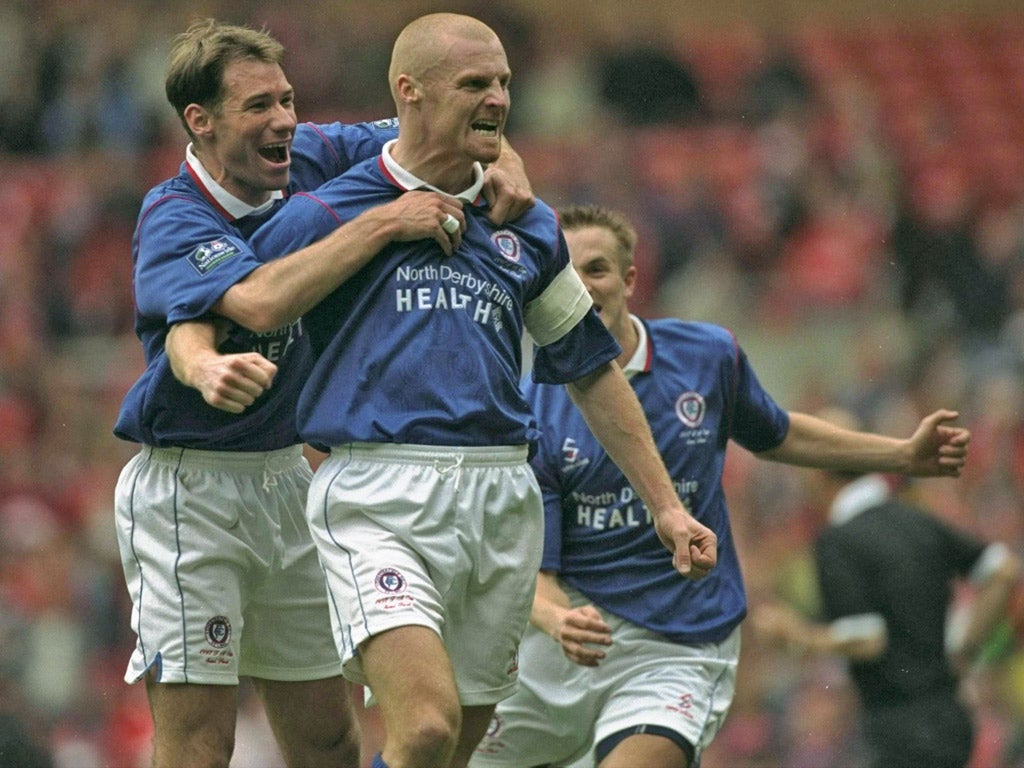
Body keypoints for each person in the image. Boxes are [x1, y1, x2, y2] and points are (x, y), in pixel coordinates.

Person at [244, 14, 717, 768]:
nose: (497, 97)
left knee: (453, 751)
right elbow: (244, 300)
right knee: (423, 726)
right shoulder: (331, 209)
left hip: (501, 497)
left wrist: (665, 505)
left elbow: (591, 369)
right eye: (474, 83)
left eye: (503, 83)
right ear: (410, 93)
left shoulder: (526, 227)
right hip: (376, 491)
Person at [112, 18, 532, 768]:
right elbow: (248, 308)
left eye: (287, 99)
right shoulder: (174, 216)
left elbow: (449, 122)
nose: (283, 121)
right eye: (257, 107)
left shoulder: (310, 154)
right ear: (200, 123)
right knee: (201, 744)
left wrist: (510, 165)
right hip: (190, 488)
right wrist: (383, 223)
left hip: (290, 481)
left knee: (331, 740)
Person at [469, 204, 974, 768]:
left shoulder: (705, 357)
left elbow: (777, 433)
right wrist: (559, 620)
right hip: (568, 639)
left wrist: (902, 455)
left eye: (598, 270)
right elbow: (538, 572)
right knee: (433, 746)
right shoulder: (528, 407)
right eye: (567, 275)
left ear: (630, 280)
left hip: (677, 644)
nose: (583, 289)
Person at [752, 407, 1020, 768]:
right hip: (950, 716)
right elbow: (1002, 570)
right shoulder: (917, 519)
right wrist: (962, 650)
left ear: (817, 471)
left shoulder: (838, 540)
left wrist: (796, 633)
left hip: (896, 728)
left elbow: (867, 638)